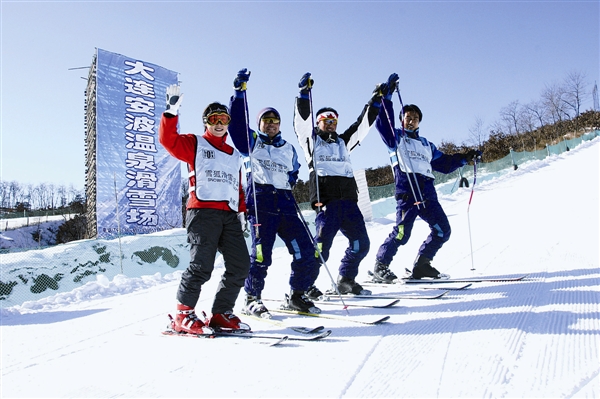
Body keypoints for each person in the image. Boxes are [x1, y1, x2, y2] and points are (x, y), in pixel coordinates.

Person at [159, 84, 251, 333]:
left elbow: (237, 186)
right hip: (202, 212)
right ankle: (182, 314)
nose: (219, 123)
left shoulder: (234, 154)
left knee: (241, 264)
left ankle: (221, 313)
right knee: (201, 265)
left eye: (223, 119)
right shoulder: (195, 143)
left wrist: (241, 212)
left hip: (230, 215)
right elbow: (168, 140)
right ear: (206, 123)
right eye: (214, 119)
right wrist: (171, 111)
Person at [371, 73, 481, 282]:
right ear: (402, 119)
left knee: (442, 230)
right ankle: (380, 266)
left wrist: (466, 157)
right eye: (407, 117)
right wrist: (387, 97)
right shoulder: (395, 138)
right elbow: (382, 123)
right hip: (407, 191)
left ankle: (422, 265)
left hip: (428, 193)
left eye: (415, 118)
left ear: (419, 121)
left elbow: (445, 164)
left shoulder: (426, 145)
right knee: (402, 233)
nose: (411, 121)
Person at [227, 69, 321, 316]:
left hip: (286, 204)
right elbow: (235, 125)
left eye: (274, 121)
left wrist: (288, 182)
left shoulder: (288, 148)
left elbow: (294, 171)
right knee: (261, 255)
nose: (271, 124)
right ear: (259, 124)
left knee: (306, 250)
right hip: (261, 203)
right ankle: (251, 297)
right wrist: (238, 94)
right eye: (266, 121)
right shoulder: (252, 142)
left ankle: (297, 295)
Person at [293, 72, 384, 296]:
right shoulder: (311, 143)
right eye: (326, 121)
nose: (330, 124)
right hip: (327, 203)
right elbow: (301, 124)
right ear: (319, 123)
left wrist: (377, 100)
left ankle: (346, 279)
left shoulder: (344, 142)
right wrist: (304, 95)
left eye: (333, 121)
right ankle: (304, 287)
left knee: (361, 243)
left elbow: (362, 125)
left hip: (349, 203)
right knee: (321, 248)